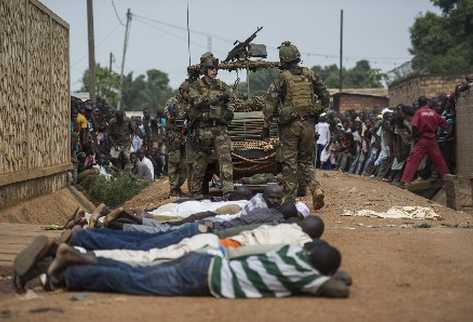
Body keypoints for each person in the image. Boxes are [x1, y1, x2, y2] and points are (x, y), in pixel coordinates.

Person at [23, 239, 350, 298]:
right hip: (204, 278)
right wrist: (329, 277)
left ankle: (75, 258)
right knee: (133, 281)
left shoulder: (293, 254)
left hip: (208, 261)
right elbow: (340, 287)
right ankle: (67, 277)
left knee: (138, 269)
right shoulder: (307, 276)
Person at [263, 41, 330, 210]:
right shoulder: (310, 74)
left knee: (290, 163)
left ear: (283, 59)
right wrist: (315, 111)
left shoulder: (282, 77)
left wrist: (267, 122)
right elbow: (325, 96)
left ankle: (289, 201)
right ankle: (316, 188)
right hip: (308, 124)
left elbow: (270, 101)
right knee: (306, 161)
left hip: (290, 127)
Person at [188, 52, 234, 198]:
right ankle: (196, 191)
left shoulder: (222, 85)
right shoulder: (196, 86)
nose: (214, 70)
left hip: (220, 128)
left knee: (225, 159)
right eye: (210, 68)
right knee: (200, 161)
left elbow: (232, 98)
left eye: (215, 68)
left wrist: (229, 112)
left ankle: (228, 190)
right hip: (204, 129)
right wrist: (217, 97)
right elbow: (196, 101)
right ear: (204, 69)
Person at [401, 97, 449, 185]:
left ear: (419, 104)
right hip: (433, 139)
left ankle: (406, 180)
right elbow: (444, 124)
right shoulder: (433, 112)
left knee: (413, 159)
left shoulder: (419, 112)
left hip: (422, 139)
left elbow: (414, 125)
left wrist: (415, 135)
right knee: (439, 159)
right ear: (427, 103)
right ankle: (447, 177)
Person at [165, 81, 191, 196]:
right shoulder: (172, 101)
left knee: (185, 164)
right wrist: (171, 114)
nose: (189, 94)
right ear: (182, 91)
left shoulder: (189, 103)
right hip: (174, 135)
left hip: (185, 136)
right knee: (174, 162)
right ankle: (174, 188)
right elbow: (168, 113)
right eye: (187, 92)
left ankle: (178, 186)